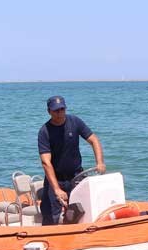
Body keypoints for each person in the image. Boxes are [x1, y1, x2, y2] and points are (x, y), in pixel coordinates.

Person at [37, 95, 105, 225]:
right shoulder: (44, 132)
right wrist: (56, 189)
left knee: (83, 211)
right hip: (56, 179)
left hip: (76, 176)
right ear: (49, 112)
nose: (59, 113)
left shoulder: (75, 122)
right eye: (56, 110)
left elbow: (94, 140)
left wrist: (100, 162)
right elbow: (46, 162)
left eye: (62, 109)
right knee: (51, 216)